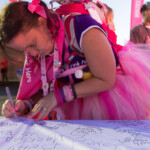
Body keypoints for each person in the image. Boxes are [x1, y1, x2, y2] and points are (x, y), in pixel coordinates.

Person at [1, 0, 150, 121]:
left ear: (41, 22)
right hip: (75, 105)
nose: (31, 53)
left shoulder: (80, 27)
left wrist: (58, 96)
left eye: (32, 44)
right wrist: (25, 104)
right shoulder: (41, 47)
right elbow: (47, 89)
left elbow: (107, 79)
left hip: (112, 100)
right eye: (25, 49)